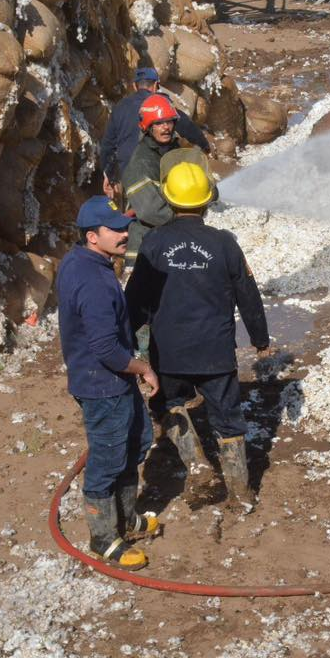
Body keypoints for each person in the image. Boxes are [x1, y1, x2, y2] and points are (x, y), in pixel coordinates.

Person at [126, 158, 271, 513]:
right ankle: (241, 492)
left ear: (168, 200)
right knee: (228, 417)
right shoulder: (224, 244)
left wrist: (126, 340)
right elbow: (247, 293)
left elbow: (136, 298)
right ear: (207, 201)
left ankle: (197, 463)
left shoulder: (155, 243)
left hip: (170, 351)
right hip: (216, 351)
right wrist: (260, 338)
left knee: (167, 403)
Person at [57, 196, 162, 570]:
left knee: (140, 440)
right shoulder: (93, 281)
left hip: (108, 380)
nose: (124, 233)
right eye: (115, 229)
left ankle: (127, 519)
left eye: (124, 226)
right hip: (103, 383)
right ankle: (104, 539)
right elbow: (104, 347)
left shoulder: (84, 262)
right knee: (107, 460)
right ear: (91, 236)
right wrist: (142, 367)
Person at [101, 67, 210, 192]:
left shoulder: (120, 107)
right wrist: (204, 146)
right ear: (156, 85)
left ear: (135, 86)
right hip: (155, 171)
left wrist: (108, 175)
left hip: (127, 174)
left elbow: (107, 145)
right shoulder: (161, 104)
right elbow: (187, 127)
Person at [114, 94, 187, 263]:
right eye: (159, 123)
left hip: (169, 239)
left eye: (169, 122)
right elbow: (150, 211)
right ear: (148, 127)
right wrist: (186, 219)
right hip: (146, 248)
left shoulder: (173, 151)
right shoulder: (140, 163)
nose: (166, 127)